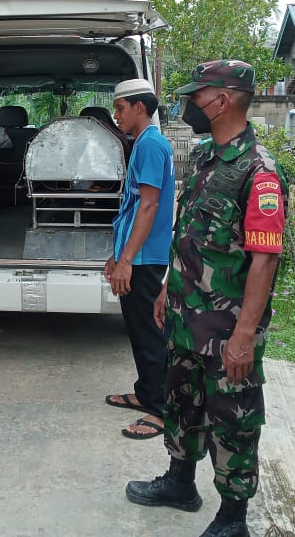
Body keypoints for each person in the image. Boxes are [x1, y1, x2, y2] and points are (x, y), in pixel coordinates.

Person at [125, 60, 287, 537]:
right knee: (182, 404)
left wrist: (243, 336)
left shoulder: (259, 172)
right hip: (184, 315)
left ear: (222, 100)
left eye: (195, 97)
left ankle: (233, 518)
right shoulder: (205, 157)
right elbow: (189, 233)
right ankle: (180, 483)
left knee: (232, 421)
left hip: (226, 331)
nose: (187, 105)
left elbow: (265, 261)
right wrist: (166, 291)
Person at [103, 79, 175, 440]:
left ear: (140, 108)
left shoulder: (150, 145)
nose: (116, 116)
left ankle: (160, 409)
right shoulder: (144, 143)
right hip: (136, 253)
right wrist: (116, 255)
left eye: (119, 108)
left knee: (150, 333)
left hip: (145, 257)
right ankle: (146, 392)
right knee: (138, 329)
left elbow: (149, 206)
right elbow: (132, 207)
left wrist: (127, 259)